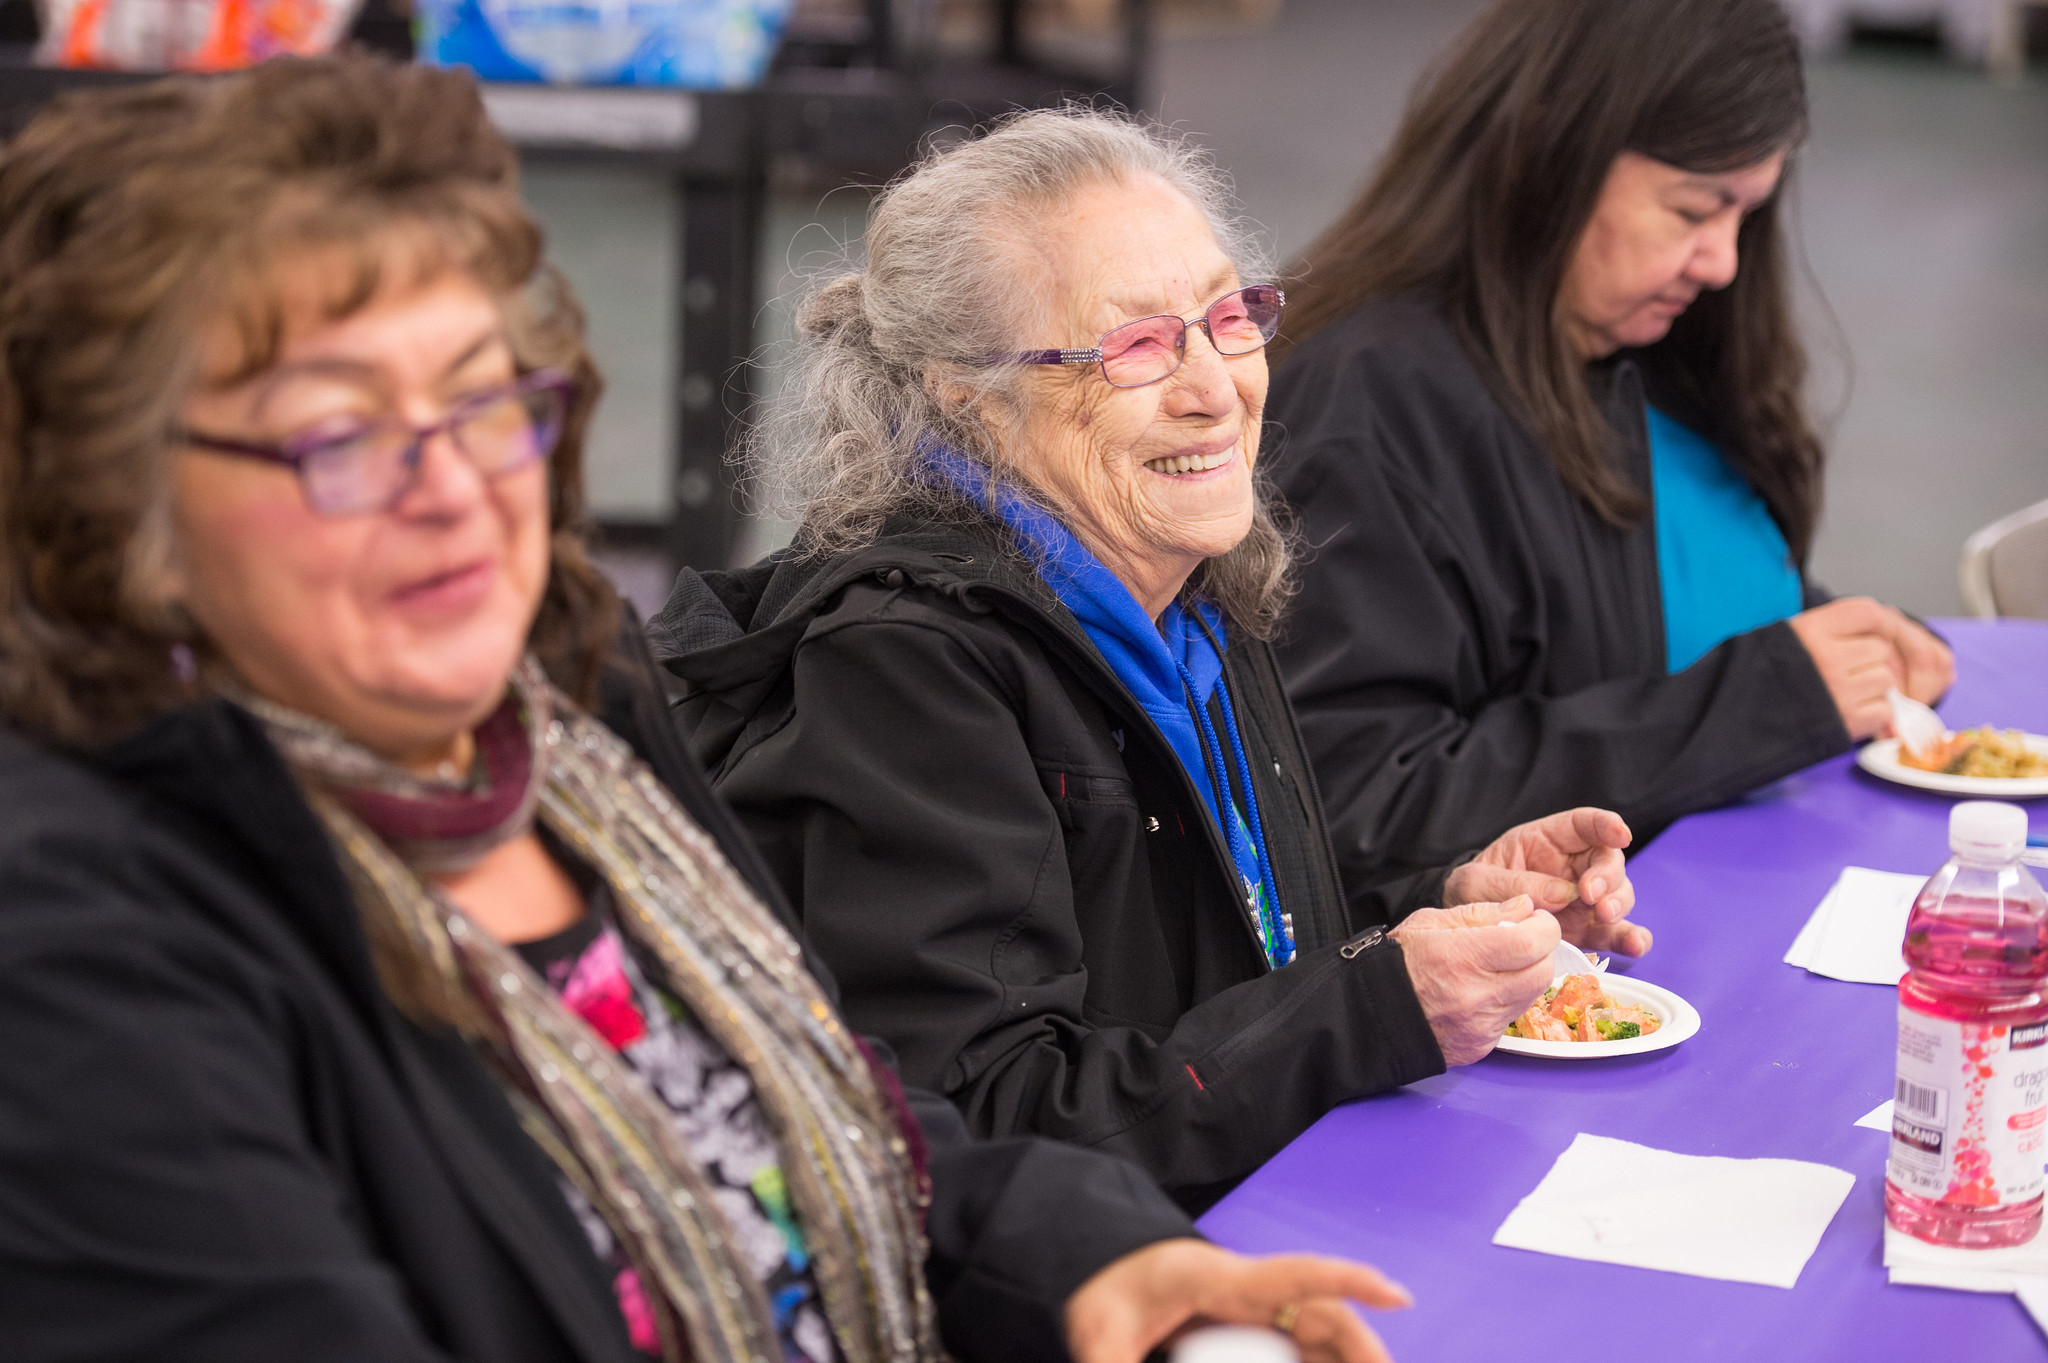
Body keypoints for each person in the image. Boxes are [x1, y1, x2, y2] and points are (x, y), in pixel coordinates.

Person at [0, 59, 1415, 1363]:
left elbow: (822, 1112)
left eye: (482, 401)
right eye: (340, 436)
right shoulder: (87, 941)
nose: (451, 487)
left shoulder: (568, 724)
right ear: (124, 509)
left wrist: (1084, 1251)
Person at [652, 108, 1646, 1212]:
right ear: (967, 394)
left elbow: (1204, 936)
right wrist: (1370, 1007)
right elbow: (977, 1122)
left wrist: (1442, 897)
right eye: (1133, 346)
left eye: (1228, 317)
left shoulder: (1181, 581)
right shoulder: (906, 670)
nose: (1213, 386)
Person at [1263, 0, 1955, 907]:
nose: (1722, 264)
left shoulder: (1646, 358)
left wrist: (1839, 643)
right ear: (1551, 151)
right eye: (1694, 210)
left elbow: (1647, 612)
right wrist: (1761, 701)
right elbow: (1354, 800)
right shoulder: (1371, 406)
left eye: (1745, 215)